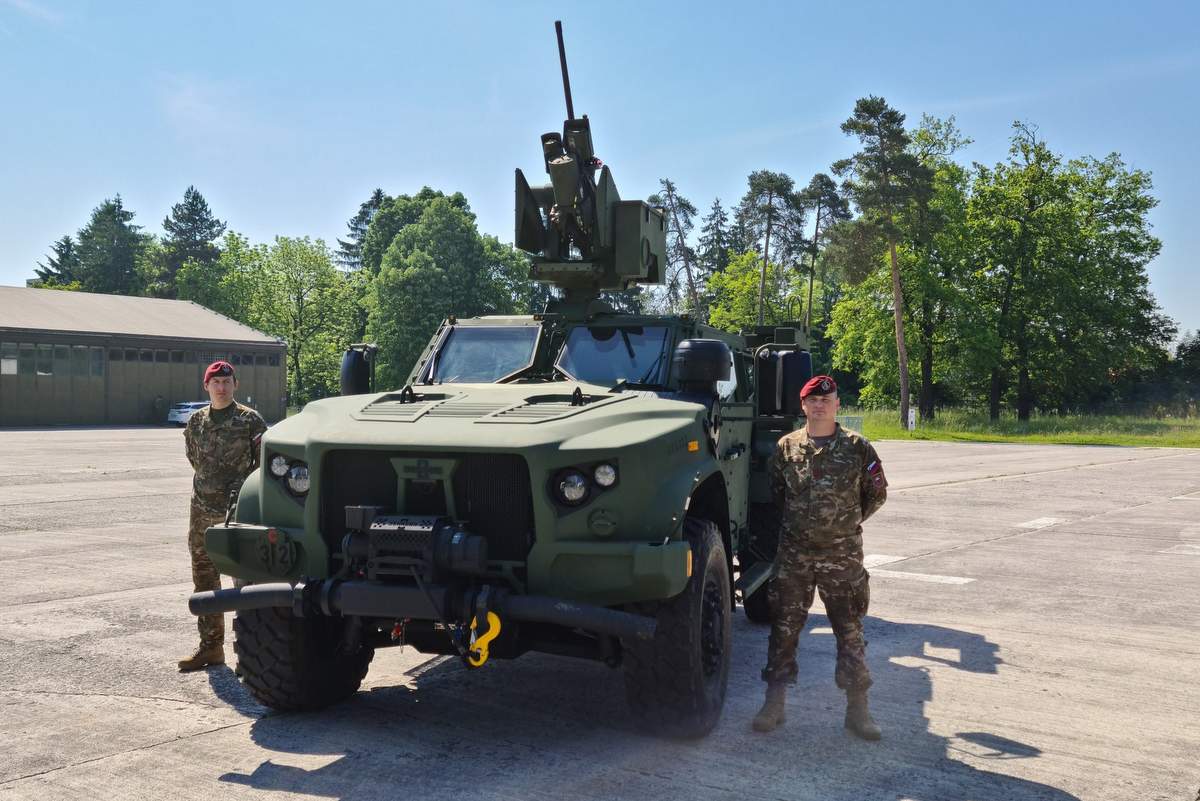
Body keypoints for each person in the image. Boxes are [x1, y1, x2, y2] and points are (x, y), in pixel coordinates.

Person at [752, 375, 889, 738]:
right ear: (803, 405)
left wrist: (843, 522)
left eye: (826, 400)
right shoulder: (786, 448)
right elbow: (778, 493)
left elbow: (875, 494)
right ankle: (774, 703)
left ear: (837, 405)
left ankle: (858, 711)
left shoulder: (859, 448)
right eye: (813, 400)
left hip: (842, 554)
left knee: (850, 631)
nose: (820, 405)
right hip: (795, 554)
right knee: (784, 629)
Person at [178, 360, 267, 672]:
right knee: (204, 578)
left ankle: (253, 654)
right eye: (215, 382)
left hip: (238, 511)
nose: (221, 387)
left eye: (227, 381)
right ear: (206, 386)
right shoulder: (195, 423)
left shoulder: (250, 421)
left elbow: (262, 465)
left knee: (246, 580)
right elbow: (194, 459)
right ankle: (211, 647)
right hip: (201, 510)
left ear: (235, 385)